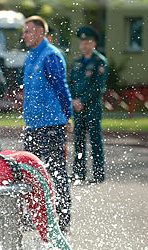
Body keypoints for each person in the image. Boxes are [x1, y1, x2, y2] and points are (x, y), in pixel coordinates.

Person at [21, 16, 73, 234]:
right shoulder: (31, 56)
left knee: (56, 171)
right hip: (33, 124)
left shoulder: (50, 55)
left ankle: (62, 217)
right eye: (23, 31)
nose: (23, 36)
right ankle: (36, 215)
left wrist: (68, 114)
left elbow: (61, 87)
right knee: (30, 171)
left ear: (40, 32)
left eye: (27, 31)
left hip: (51, 124)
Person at [69, 26, 108, 184]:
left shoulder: (100, 62)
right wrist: (73, 100)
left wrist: (82, 101)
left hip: (91, 107)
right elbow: (71, 83)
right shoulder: (77, 62)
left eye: (87, 42)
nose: (84, 46)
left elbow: (98, 87)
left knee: (95, 140)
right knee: (78, 141)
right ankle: (79, 173)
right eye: (82, 43)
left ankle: (98, 174)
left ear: (94, 43)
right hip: (77, 108)